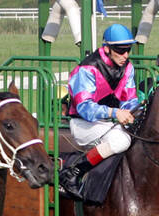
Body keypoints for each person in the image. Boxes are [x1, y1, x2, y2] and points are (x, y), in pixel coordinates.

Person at [58, 24, 140, 199]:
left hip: (111, 123)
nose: (125, 55)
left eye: (128, 50)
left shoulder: (128, 68)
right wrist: (114, 113)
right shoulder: (87, 69)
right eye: (120, 50)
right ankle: (73, 173)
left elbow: (130, 99)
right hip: (84, 124)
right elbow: (84, 107)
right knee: (122, 141)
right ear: (107, 48)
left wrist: (133, 112)